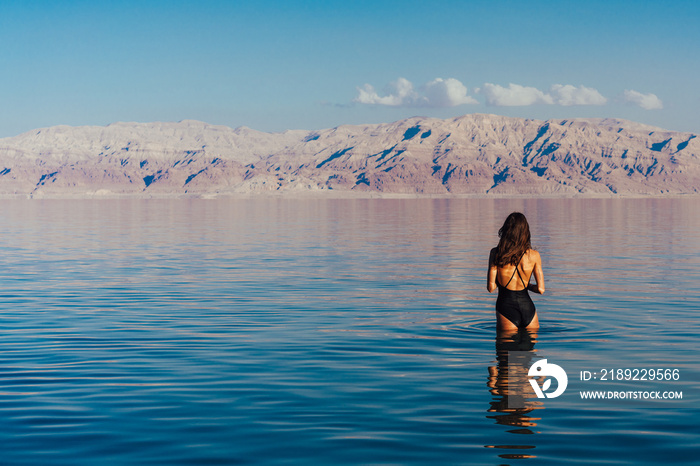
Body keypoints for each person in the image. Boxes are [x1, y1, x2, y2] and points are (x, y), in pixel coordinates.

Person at [487, 212, 544, 331]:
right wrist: (527, 285)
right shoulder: (534, 256)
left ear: (506, 231)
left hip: (506, 308)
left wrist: (501, 278)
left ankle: (513, 351)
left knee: (507, 348)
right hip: (528, 310)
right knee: (527, 348)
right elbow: (541, 289)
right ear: (525, 232)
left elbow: (491, 288)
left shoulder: (496, 253)